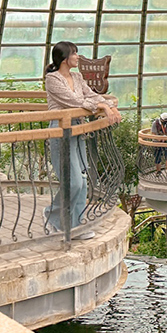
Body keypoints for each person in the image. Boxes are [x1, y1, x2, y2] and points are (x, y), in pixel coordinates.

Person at [44, 41, 121, 240]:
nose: (78, 56)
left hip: (79, 129)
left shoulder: (77, 77)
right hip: (61, 130)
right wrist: (103, 108)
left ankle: (75, 225)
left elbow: (91, 95)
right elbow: (74, 102)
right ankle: (55, 216)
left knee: (82, 181)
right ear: (64, 57)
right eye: (74, 53)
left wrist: (107, 105)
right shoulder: (52, 79)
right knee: (74, 182)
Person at [151, 112, 167, 178]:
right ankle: (158, 171)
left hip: (166, 141)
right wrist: (159, 139)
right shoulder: (155, 123)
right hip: (157, 142)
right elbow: (153, 133)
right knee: (157, 157)